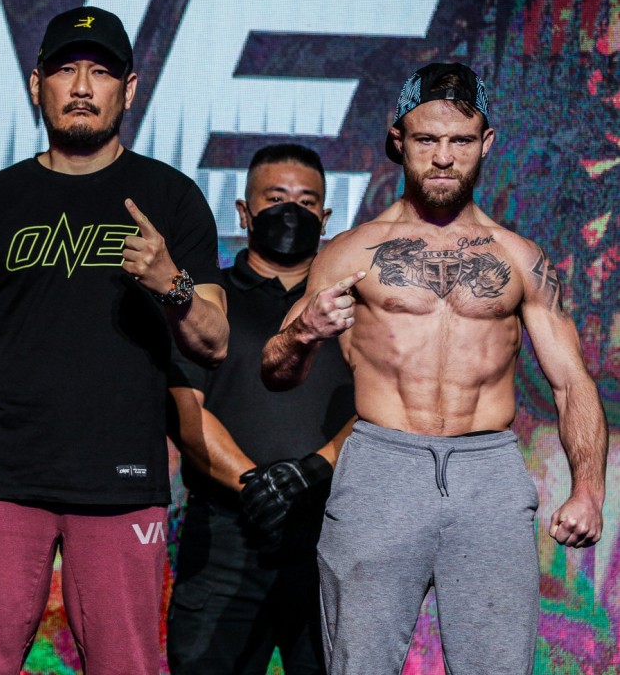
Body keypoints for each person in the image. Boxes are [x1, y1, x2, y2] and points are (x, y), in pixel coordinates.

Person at [0, 6, 228, 674]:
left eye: (101, 72)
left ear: (128, 90)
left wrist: (172, 283)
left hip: (121, 481)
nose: (82, 86)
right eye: (65, 70)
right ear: (36, 84)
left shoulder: (171, 197)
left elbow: (214, 340)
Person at [260, 62, 607, 674]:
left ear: (486, 144)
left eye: (460, 141)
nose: (443, 158)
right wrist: (305, 332)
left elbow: (571, 380)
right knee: (359, 664)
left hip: (488, 471)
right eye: (426, 140)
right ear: (399, 140)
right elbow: (276, 371)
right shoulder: (350, 251)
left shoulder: (521, 258)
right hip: (380, 466)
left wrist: (589, 490)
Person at [166, 144, 355, 675]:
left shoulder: (355, 308)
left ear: (326, 218)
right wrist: (256, 485)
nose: (290, 211)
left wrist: (307, 476)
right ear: (244, 213)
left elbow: (383, 408)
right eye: (275, 198)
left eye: (306, 201)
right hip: (225, 537)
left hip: (331, 536)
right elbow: (186, 409)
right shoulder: (207, 301)